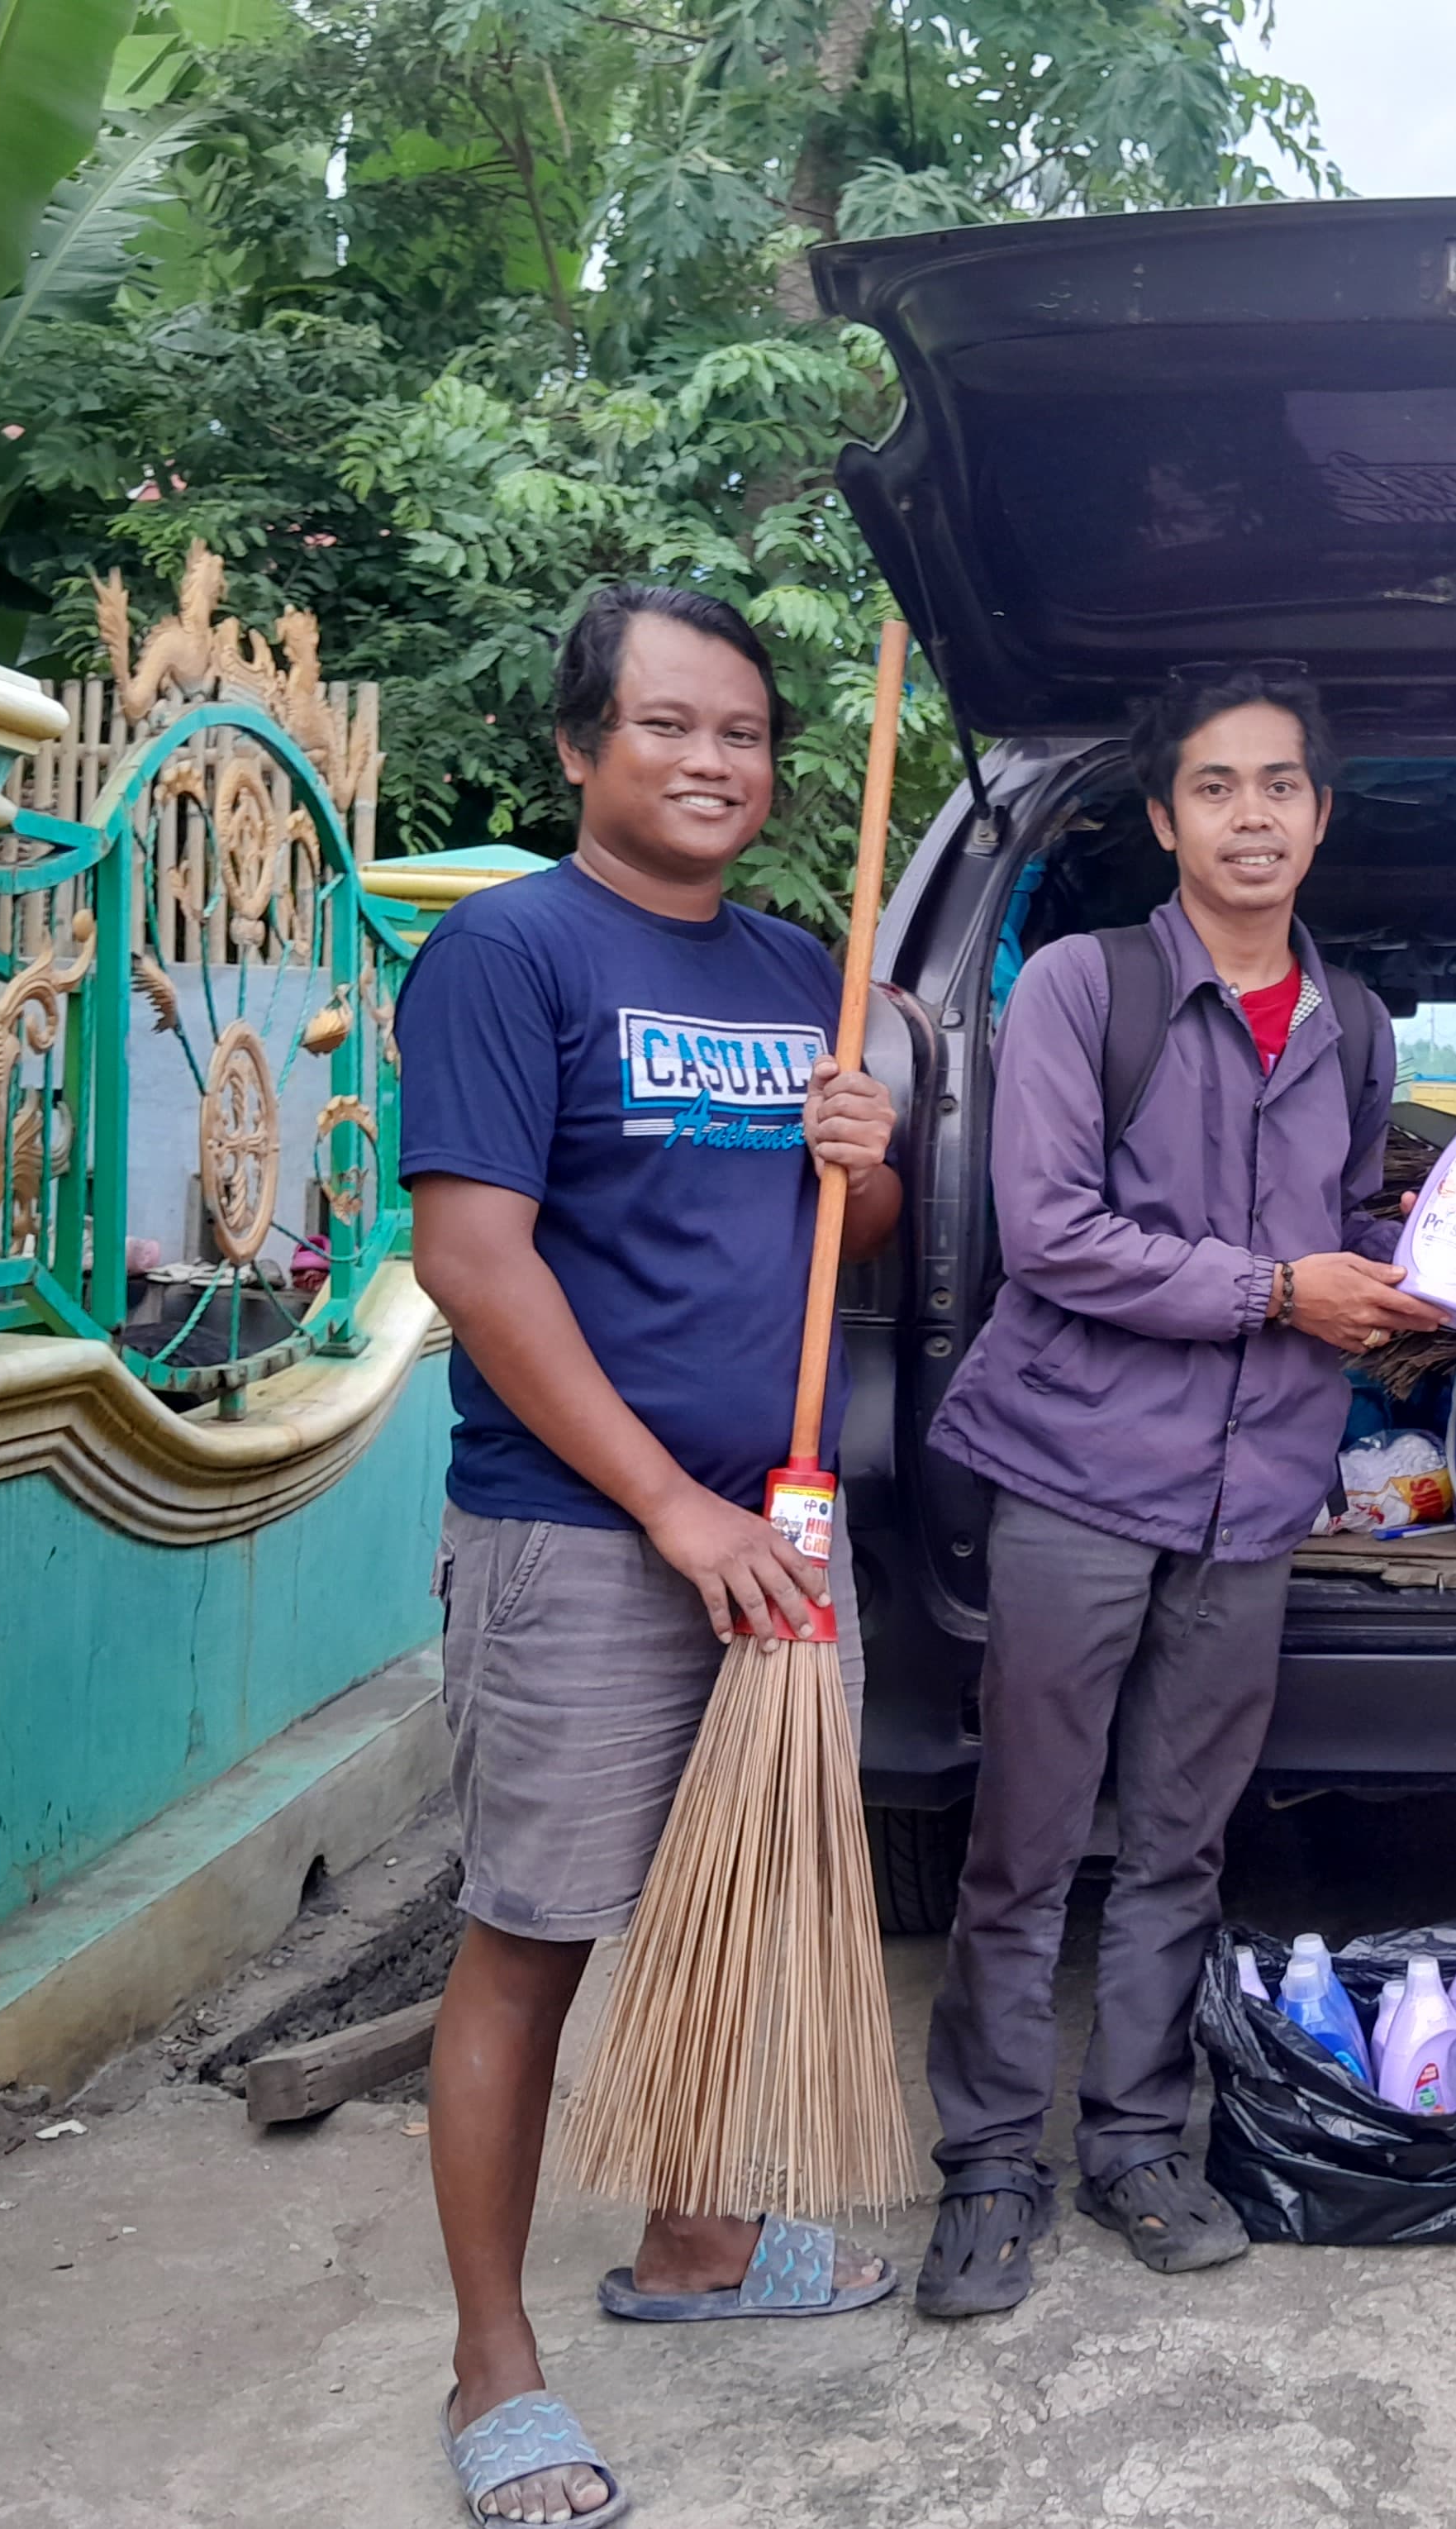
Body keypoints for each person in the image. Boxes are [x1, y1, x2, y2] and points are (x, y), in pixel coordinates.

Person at [399, 586, 904, 2525]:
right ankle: (494, 2367)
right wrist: (663, 1509)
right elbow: (475, 1260)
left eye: (746, 734)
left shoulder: (802, 971)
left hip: (780, 1522)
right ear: (580, 749)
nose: (716, 762)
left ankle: (697, 2242)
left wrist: (861, 1161)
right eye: (672, 726)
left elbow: (815, 1257)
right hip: (584, 1537)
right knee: (533, 1934)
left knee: (739, 1895)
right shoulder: (508, 952)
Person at [913, 667, 1441, 2317]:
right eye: (1215, 787)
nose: (1253, 814)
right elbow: (1052, 1231)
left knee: (1182, 1845)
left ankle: (1138, 2143)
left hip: (1258, 1494)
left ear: (1321, 813)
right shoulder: (1084, 988)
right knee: (1026, 1839)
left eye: (1281, 784)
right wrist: (1288, 1292)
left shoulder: (1352, 1021)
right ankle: (992, 2162)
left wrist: (1420, 1268)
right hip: (1080, 1473)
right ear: (1165, 820)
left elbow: (1348, 1213)